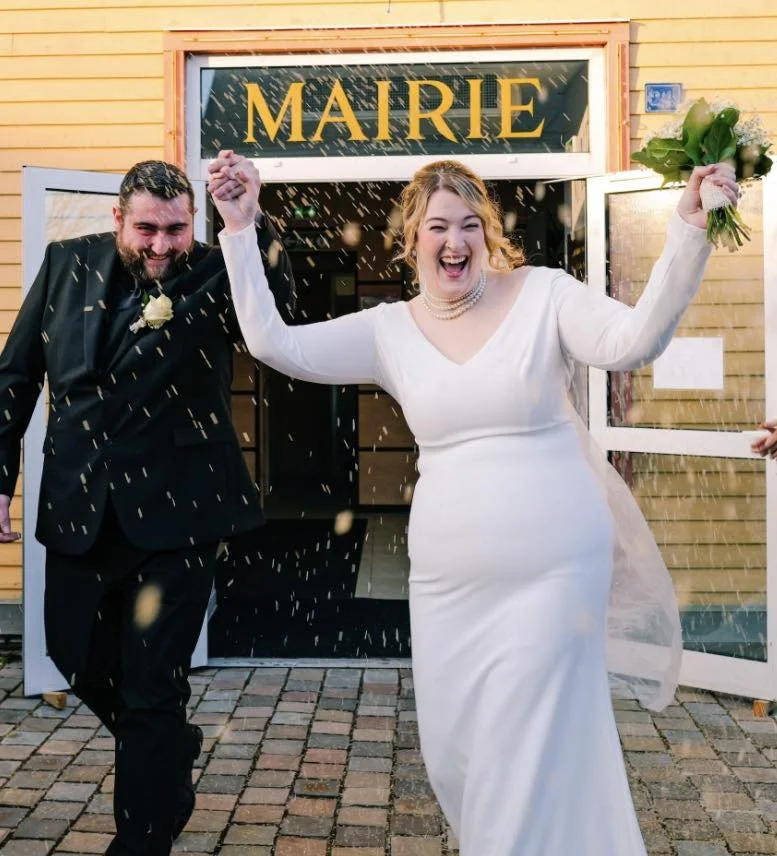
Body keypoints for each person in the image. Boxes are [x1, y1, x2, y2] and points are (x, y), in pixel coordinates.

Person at [208, 152, 738, 855]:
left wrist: (687, 230)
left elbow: (634, 340)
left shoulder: (545, 295)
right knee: (456, 754)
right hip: (447, 583)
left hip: (554, 570)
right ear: (412, 240)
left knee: (523, 745)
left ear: (488, 232)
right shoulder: (388, 330)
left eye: (467, 225)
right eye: (437, 227)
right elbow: (274, 345)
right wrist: (240, 228)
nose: (453, 241)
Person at [0, 159, 293, 856]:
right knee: (74, 657)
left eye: (176, 229)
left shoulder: (221, 269)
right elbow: (17, 373)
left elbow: (278, 312)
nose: (162, 245)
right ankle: (168, 745)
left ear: (193, 222)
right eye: (147, 230)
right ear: (118, 220)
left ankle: (143, 835)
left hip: (179, 517)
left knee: (152, 687)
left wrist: (251, 220)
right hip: (79, 508)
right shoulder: (66, 263)